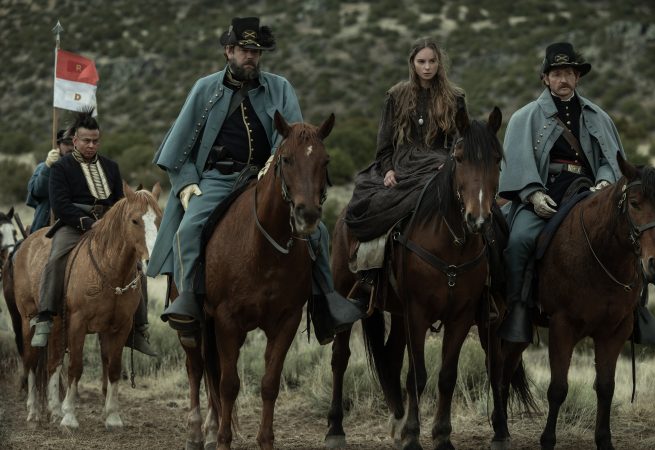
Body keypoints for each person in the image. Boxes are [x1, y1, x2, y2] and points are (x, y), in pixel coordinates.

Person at [147, 16, 364, 346]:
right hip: (217, 178)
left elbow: (293, 137)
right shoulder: (205, 88)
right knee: (188, 229)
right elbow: (177, 149)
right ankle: (189, 300)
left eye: (256, 51)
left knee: (316, 231)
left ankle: (327, 302)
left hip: (268, 177)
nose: (251, 57)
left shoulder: (280, 87)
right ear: (229, 51)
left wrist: (273, 167)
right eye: (245, 50)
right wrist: (189, 182)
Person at [497, 42, 655, 343]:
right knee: (520, 239)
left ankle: (637, 308)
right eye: (557, 73)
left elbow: (612, 161)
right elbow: (518, 163)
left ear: (578, 78)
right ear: (545, 78)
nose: (563, 79)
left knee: (631, 233)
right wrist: (533, 194)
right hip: (544, 191)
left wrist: (603, 184)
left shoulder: (599, 117)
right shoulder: (525, 117)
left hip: (589, 191)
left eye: (569, 73)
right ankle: (518, 308)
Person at [343, 37, 466, 293]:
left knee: (480, 209)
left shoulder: (455, 97)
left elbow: (460, 140)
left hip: (442, 163)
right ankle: (370, 272)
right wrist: (387, 170)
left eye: (432, 61)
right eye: (421, 61)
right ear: (412, 63)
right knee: (373, 201)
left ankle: (486, 287)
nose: (427, 67)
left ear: (440, 63)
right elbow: (384, 142)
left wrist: (451, 163)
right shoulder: (396, 95)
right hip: (403, 161)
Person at [30, 110, 156, 356]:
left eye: (95, 140)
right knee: (56, 258)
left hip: (109, 227)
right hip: (73, 224)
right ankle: (45, 315)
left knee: (137, 267)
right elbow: (60, 204)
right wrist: (88, 223)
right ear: (75, 140)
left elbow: (120, 202)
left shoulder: (110, 166)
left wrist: (112, 224)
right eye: (86, 140)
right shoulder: (61, 167)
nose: (91, 145)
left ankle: (139, 328)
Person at [26, 129, 74, 233]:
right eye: (66, 143)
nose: (71, 147)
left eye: (73, 143)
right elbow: (37, 191)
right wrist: (48, 167)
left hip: (73, 226)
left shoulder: (83, 170)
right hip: (45, 227)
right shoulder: (43, 167)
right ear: (58, 145)